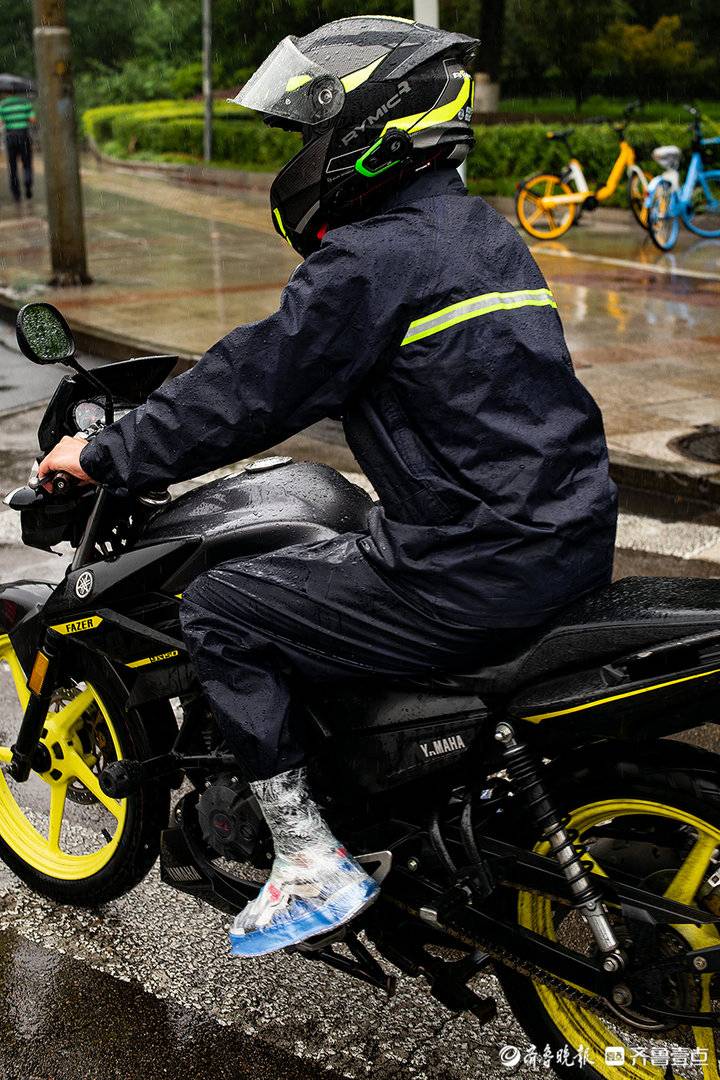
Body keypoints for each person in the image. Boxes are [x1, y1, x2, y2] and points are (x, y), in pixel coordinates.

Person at [38, 17, 618, 958]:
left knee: (223, 608)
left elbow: (253, 386)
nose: (302, 154)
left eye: (312, 132)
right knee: (333, 555)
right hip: (566, 536)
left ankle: (310, 860)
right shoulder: (481, 234)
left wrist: (103, 455)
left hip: (475, 566)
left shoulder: (374, 258)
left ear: (374, 129)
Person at [0, 90, 35, 202]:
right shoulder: (25, 103)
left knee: (13, 166)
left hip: (10, 137)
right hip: (24, 136)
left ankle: (16, 194)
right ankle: (28, 183)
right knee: (27, 163)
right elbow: (33, 120)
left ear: (6, 92)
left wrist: (8, 119)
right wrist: (24, 117)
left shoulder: (3, 105)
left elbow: (0, 122)